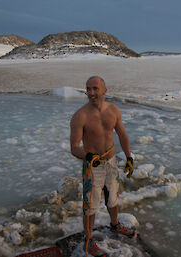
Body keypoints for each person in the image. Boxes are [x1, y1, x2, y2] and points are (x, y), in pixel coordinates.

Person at [70, 76, 134, 256]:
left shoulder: (113, 110)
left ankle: (115, 225)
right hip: (93, 166)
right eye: (88, 89)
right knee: (90, 206)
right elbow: (74, 147)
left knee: (113, 197)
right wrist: (88, 156)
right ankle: (88, 240)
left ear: (104, 90)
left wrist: (129, 157)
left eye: (95, 89)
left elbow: (122, 135)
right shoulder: (80, 116)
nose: (91, 93)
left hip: (111, 162)